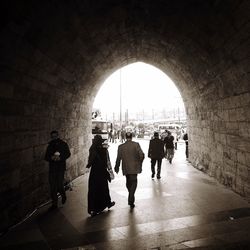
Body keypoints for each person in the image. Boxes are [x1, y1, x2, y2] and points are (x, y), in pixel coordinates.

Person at [86, 135, 115, 217]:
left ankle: (93, 209)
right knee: (104, 188)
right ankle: (106, 203)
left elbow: (90, 162)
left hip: (94, 172)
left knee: (93, 190)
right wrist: (110, 172)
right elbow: (108, 162)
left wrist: (88, 165)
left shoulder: (92, 149)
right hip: (102, 172)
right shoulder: (104, 150)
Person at [115, 132, 144, 209]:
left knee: (128, 182)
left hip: (126, 168)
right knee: (134, 182)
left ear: (125, 137)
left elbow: (118, 158)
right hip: (134, 168)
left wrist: (116, 167)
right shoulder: (136, 145)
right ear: (132, 137)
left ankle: (131, 196)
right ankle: (131, 197)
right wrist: (139, 162)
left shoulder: (121, 147)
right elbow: (142, 155)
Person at [45, 130, 71, 210]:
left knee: (59, 185)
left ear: (58, 136)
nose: (54, 138)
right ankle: (54, 204)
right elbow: (46, 157)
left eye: (55, 136)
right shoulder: (50, 145)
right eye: (52, 137)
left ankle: (63, 194)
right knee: (53, 186)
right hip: (52, 168)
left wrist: (60, 158)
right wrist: (51, 158)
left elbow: (68, 154)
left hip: (60, 168)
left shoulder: (63, 144)